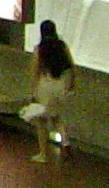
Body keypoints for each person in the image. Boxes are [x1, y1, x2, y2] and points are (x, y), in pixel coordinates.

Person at [25, 20, 75, 163]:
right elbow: (71, 65)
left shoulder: (39, 49)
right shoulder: (62, 46)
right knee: (56, 116)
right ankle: (65, 142)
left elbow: (35, 71)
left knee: (41, 121)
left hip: (45, 87)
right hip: (61, 86)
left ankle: (43, 154)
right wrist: (72, 84)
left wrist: (32, 92)